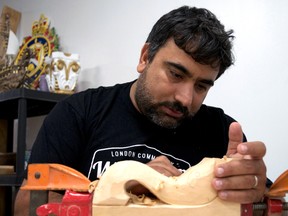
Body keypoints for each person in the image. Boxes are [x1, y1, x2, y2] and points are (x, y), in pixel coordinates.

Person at [14, 5, 269, 215]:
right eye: (176, 74)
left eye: (202, 86)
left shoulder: (221, 130)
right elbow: (25, 207)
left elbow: (261, 202)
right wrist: (124, 185)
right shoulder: (77, 112)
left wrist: (256, 193)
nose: (185, 98)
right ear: (145, 57)